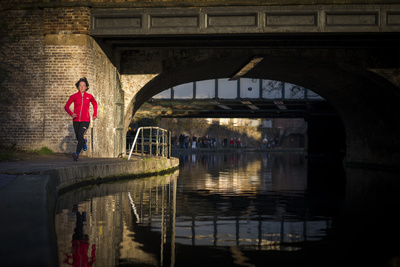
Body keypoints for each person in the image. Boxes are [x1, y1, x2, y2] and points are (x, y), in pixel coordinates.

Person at [65, 77, 98, 161]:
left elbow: (94, 104)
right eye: (80, 85)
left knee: (80, 135)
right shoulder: (74, 96)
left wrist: (94, 114)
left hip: (85, 120)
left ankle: (76, 154)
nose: (82, 87)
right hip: (76, 120)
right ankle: (84, 142)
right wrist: (71, 114)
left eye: (84, 85)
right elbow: (66, 106)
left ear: (86, 87)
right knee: (78, 138)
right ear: (78, 87)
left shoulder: (89, 96)